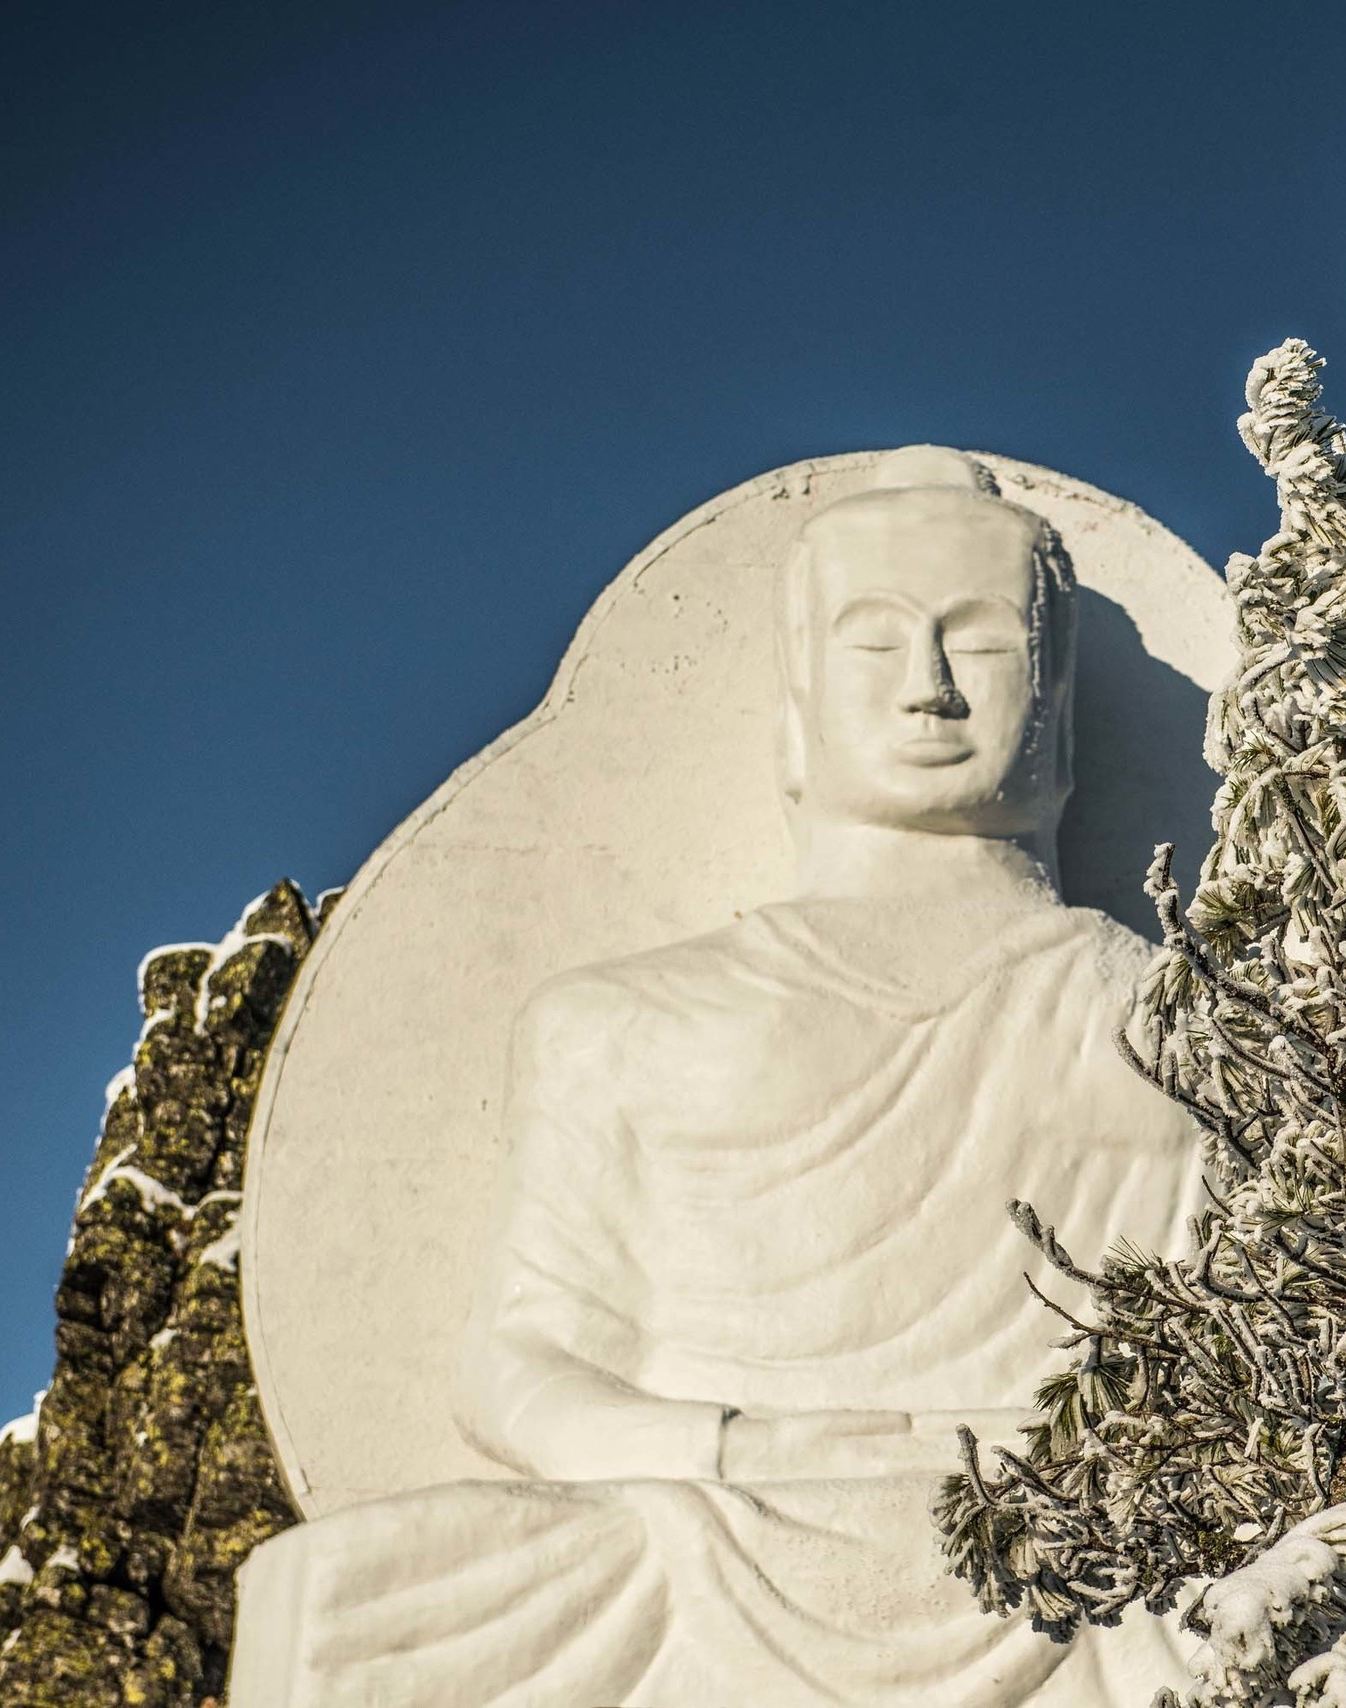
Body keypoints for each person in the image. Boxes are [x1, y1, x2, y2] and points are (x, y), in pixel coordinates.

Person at [228, 448, 1200, 1706]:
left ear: (1055, 697)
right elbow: (515, 1368)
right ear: (795, 700)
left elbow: (1258, 1365)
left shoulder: (1175, 1029)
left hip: (1073, 1554)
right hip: (703, 1539)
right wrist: (731, 1448)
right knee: (349, 1604)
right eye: (873, 645)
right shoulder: (622, 1020)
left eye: (982, 643)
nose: (930, 689)